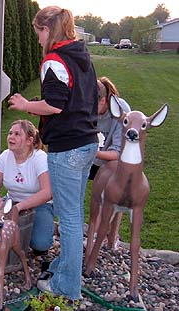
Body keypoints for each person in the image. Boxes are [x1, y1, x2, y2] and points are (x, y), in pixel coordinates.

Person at [8, 7, 98, 301]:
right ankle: (66, 266)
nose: (37, 40)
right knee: (75, 213)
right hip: (87, 144)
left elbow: (56, 105)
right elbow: (78, 99)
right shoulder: (81, 56)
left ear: (48, 30)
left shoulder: (54, 60)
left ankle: (66, 286)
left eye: (38, 33)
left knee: (70, 219)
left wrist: (24, 105)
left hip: (68, 148)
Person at [0, 120, 54, 254]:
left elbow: (48, 192)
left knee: (40, 244)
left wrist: (19, 207)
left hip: (39, 205)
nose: (11, 137)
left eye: (17, 134)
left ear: (29, 141)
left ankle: (46, 227)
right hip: (11, 201)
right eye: (10, 133)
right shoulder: (5, 156)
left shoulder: (39, 158)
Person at [88, 76, 131, 248]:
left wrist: (93, 152)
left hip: (114, 159)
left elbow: (120, 153)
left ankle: (107, 238)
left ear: (104, 100)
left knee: (110, 197)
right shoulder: (88, 106)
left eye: (93, 105)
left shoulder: (121, 112)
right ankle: (95, 237)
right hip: (93, 155)